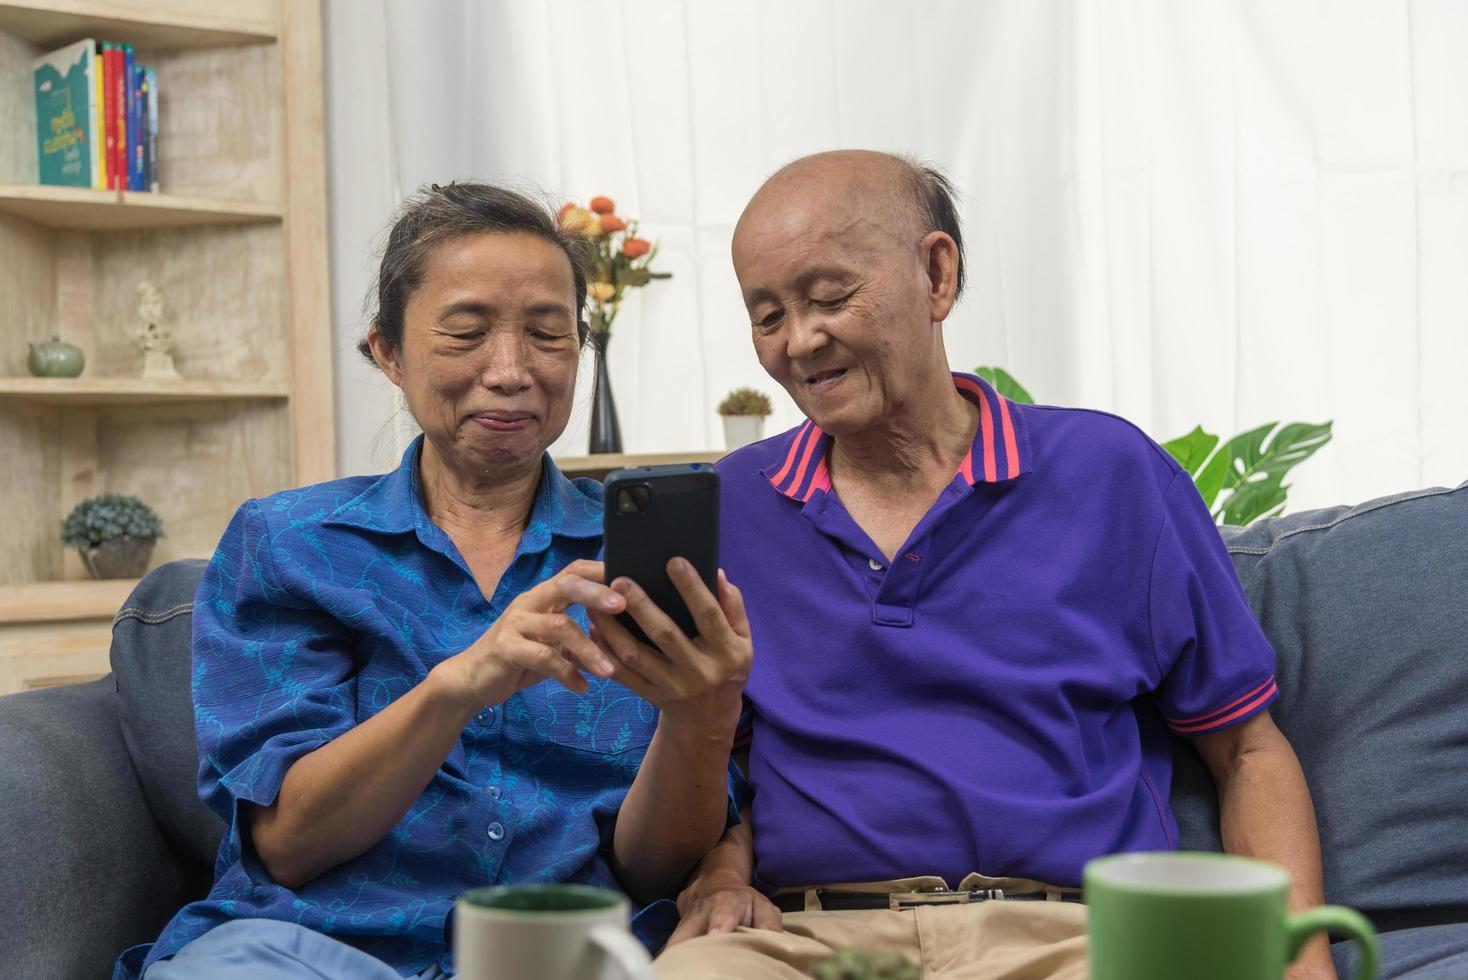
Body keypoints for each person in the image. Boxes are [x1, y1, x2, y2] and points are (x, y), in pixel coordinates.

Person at [633, 151, 1336, 979]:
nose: (800, 341)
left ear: (936, 274)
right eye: (766, 315)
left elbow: (1247, 752)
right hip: (807, 942)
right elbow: (719, 783)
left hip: (1075, 938)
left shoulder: (1110, 472)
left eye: (829, 298)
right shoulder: (735, 505)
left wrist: (1301, 957)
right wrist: (722, 862)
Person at [115, 182, 752, 979]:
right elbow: (287, 844)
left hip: (559, 955)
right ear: (387, 350)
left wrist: (700, 720)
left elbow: (652, 871)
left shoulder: (638, 557)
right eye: (465, 333)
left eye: (549, 335)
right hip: (316, 952)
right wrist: (459, 686)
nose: (512, 371)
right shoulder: (293, 546)